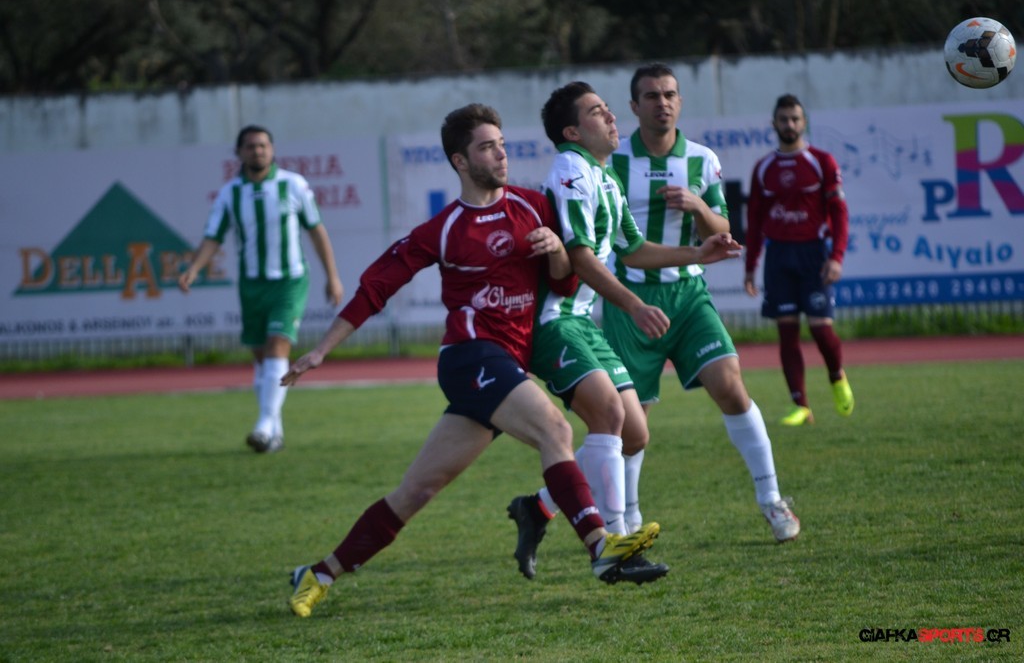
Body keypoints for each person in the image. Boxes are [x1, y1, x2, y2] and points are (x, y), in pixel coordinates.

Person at [281, 103, 667, 618]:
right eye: (487, 147)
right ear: (460, 161)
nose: (501, 154)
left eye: (501, 144)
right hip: (470, 357)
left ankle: (318, 573)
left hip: (505, 367)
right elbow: (377, 286)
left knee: (417, 490)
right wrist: (321, 350)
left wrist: (556, 249)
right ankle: (601, 547)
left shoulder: (533, 206)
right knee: (555, 429)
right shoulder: (444, 229)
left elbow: (562, 282)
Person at [507, 81, 745, 582]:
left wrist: (698, 254)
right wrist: (634, 305)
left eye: (609, 110)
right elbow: (579, 256)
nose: (613, 118)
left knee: (634, 434)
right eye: (598, 112)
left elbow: (633, 251)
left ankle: (538, 507)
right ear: (573, 132)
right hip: (553, 321)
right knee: (611, 415)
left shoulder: (605, 177)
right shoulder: (571, 170)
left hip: (581, 321)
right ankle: (614, 545)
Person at [179, 125, 344, 453]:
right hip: (252, 284)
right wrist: (194, 268)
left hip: (289, 280)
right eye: (251, 146)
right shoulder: (230, 193)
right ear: (239, 152)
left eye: (263, 145)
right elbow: (213, 236)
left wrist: (333, 276)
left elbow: (316, 231)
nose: (258, 151)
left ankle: (264, 424)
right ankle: (273, 433)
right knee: (262, 359)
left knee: (277, 346)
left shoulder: (293, 184)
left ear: (272, 149)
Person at [744, 94, 854, 426]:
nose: (789, 124)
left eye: (795, 118)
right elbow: (755, 222)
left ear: (804, 122)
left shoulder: (821, 162)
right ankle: (801, 405)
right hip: (779, 257)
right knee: (787, 332)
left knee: (821, 330)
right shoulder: (764, 168)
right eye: (783, 119)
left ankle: (836, 376)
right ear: (774, 124)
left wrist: (836, 256)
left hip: (813, 255)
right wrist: (750, 267)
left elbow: (840, 213)